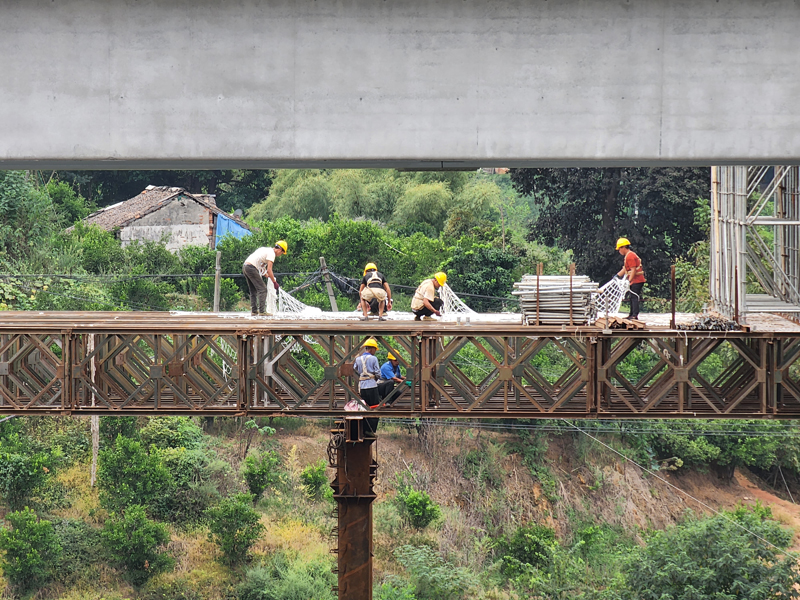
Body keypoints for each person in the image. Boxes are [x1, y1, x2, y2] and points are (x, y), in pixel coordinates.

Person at [242, 240, 288, 316]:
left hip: (245, 267)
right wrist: (274, 282)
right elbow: (269, 270)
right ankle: (262, 311)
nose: (280, 255)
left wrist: (266, 275)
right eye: (282, 253)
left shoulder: (266, 250)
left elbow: (261, 266)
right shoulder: (272, 254)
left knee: (253, 290)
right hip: (251, 268)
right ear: (280, 249)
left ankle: (254, 311)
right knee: (263, 289)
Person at [353, 337, 381, 434]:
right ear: (372, 349)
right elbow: (378, 373)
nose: (375, 351)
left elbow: (355, 369)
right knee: (374, 408)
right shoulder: (373, 358)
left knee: (364, 408)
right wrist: (375, 378)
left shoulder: (358, 359)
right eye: (375, 349)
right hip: (372, 386)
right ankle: (371, 430)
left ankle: (363, 430)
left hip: (362, 387)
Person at [615, 237, 646, 319]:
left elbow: (633, 270)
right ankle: (631, 314)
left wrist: (629, 281)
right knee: (631, 297)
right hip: (634, 280)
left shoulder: (630, 256)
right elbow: (625, 269)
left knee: (634, 296)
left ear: (623, 247)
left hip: (637, 280)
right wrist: (617, 276)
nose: (619, 251)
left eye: (619, 249)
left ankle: (634, 315)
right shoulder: (628, 255)